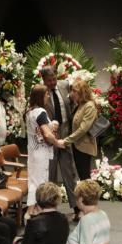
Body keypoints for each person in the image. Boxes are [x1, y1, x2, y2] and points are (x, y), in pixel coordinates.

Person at [41, 66, 80, 218]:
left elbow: (75, 101)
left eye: (54, 79)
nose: (52, 83)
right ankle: (50, 210)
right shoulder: (40, 92)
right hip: (49, 137)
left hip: (65, 134)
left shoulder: (64, 85)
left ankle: (76, 208)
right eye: (49, 81)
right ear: (43, 79)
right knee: (50, 174)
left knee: (69, 173)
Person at [57, 78, 99, 183]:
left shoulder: (89, 106)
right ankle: (85, 197)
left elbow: (83, 129)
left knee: (85, 177)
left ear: (82, 92)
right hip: (78, 146)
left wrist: (66, 141)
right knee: (82, 177)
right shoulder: (80, 104)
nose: (72, 93)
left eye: (75, 91)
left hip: (84, 147)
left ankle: (88, 198)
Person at [25, 84, 58, 214]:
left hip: (33, 152)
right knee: (39, 183)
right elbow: (46, 134)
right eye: (46, 94)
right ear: (40, 96)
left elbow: (38, 131)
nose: (48, 96)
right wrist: (58, 142)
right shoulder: (41, 112)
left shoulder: (29, 112)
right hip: (41, 152)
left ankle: (34, 210)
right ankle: (31, 211)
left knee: (33, 182)